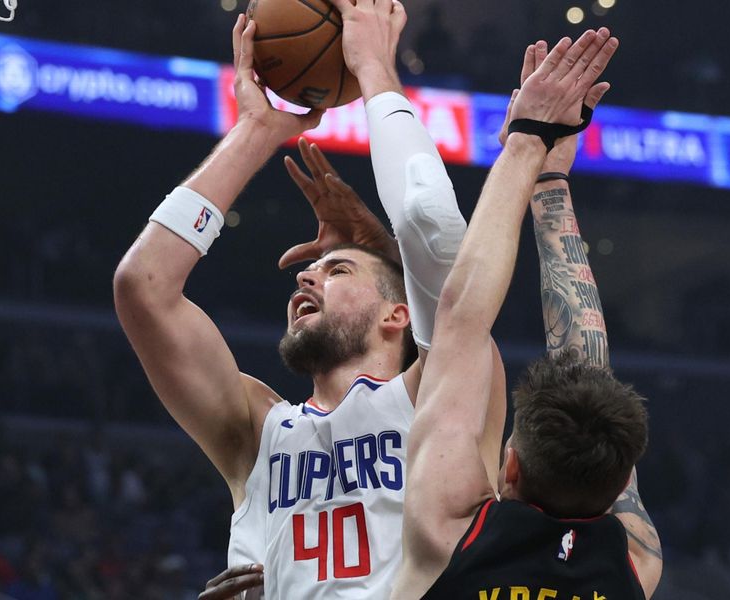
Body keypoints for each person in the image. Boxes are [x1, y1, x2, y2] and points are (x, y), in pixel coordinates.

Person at [114, 3, 506, 598]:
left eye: (337, 269)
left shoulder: (441, 397)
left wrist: (374, 69)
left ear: (396, 314)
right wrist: (258, 130)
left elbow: (435, 239)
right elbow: (143, 287)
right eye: (311, 273)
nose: (304, 279)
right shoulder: (257, 431)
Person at [392, 29, 663, 599]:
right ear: (622, 488)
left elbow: (470, 324)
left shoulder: (451, 539)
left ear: (508, 466)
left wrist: (536, 158)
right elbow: (462, 321)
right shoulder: (633, 567)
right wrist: (531, 151)